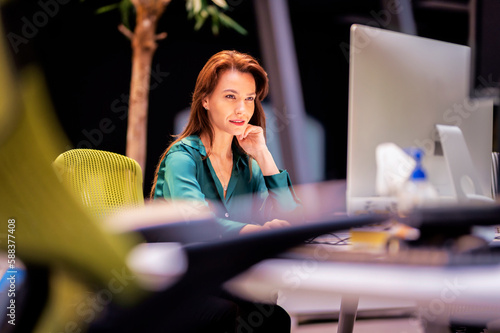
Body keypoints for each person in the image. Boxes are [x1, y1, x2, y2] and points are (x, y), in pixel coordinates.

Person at [149, 50, 302, 333]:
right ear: (205, 100)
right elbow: (199, 222)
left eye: (249, 98)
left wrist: (264, 155)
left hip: (223, 277)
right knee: (231, 314)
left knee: (274, 316)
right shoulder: (182, 158)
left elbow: (291, 217)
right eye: (230, 96)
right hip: (175, 284)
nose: (242, 109)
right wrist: (252, 231)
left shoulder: (247, 163)